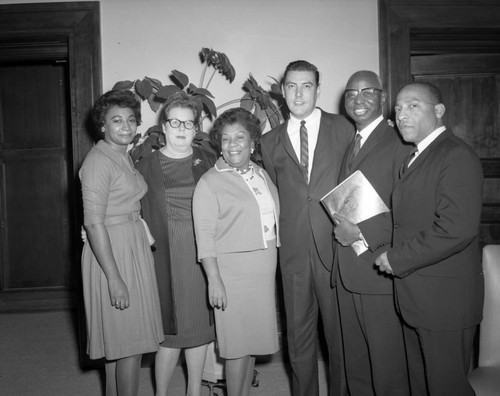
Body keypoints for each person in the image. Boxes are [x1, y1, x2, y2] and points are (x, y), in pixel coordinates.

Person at [375, 82, 484, 395]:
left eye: (413, 106)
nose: (402, 114)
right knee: (422, 386)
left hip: (444, 302)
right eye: (398, 108)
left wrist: (396, 258)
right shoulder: (418, 155)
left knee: (446, 387)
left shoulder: (455, 154)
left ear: (438, 111)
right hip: (418, 297)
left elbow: (457, 228)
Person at [261, 60, 353, 396]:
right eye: (292, 86)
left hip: (335, 248)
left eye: (307, 86)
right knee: (298, 340)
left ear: (318, 88)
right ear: (282, 90)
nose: (299, 93)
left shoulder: (344, 128)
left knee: (339, 338)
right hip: (295, 251)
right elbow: (273, 193)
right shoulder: (269, 141)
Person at [79, 90, 164, 396]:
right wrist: (114, 279)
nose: (126, 127)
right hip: (112, 254)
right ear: (102, 124)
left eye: (131, 120)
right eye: (117, 120)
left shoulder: (120, 155)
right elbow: (93, 222)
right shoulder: (97, 162)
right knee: (129, 346)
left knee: (124, 344)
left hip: (130, 245)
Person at [332, 70, 411, 395]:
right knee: (358, 366)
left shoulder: (400, 143)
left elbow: (410, 210)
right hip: (347, 271)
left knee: (387, 366)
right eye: (351, 93)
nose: (358, 99)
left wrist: (361, 234)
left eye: (367, 92)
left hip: (378, 269)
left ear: (383, 97)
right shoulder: (350, 142)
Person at [192, 107, 280, 396]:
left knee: (251, 342)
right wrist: (214, 280)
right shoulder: (210, 182)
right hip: (232, 274)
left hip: (262, 268)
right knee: (235, 348)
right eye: (226, 139)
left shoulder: (261, 173)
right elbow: (204, 238)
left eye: (239, 137)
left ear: (252, 141)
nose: (233, 145)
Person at [134, 92, 216, 396]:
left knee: (198, 327)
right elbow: (127, 206)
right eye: (175, 121)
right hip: (163, 257)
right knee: (169, 333)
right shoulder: (145, 165)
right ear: (164, 126)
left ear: (196, 129)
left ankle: (194, 391)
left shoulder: (207, 161)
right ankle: (162, 393)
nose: (181, 128)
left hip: (201, 255)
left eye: (189, 123)